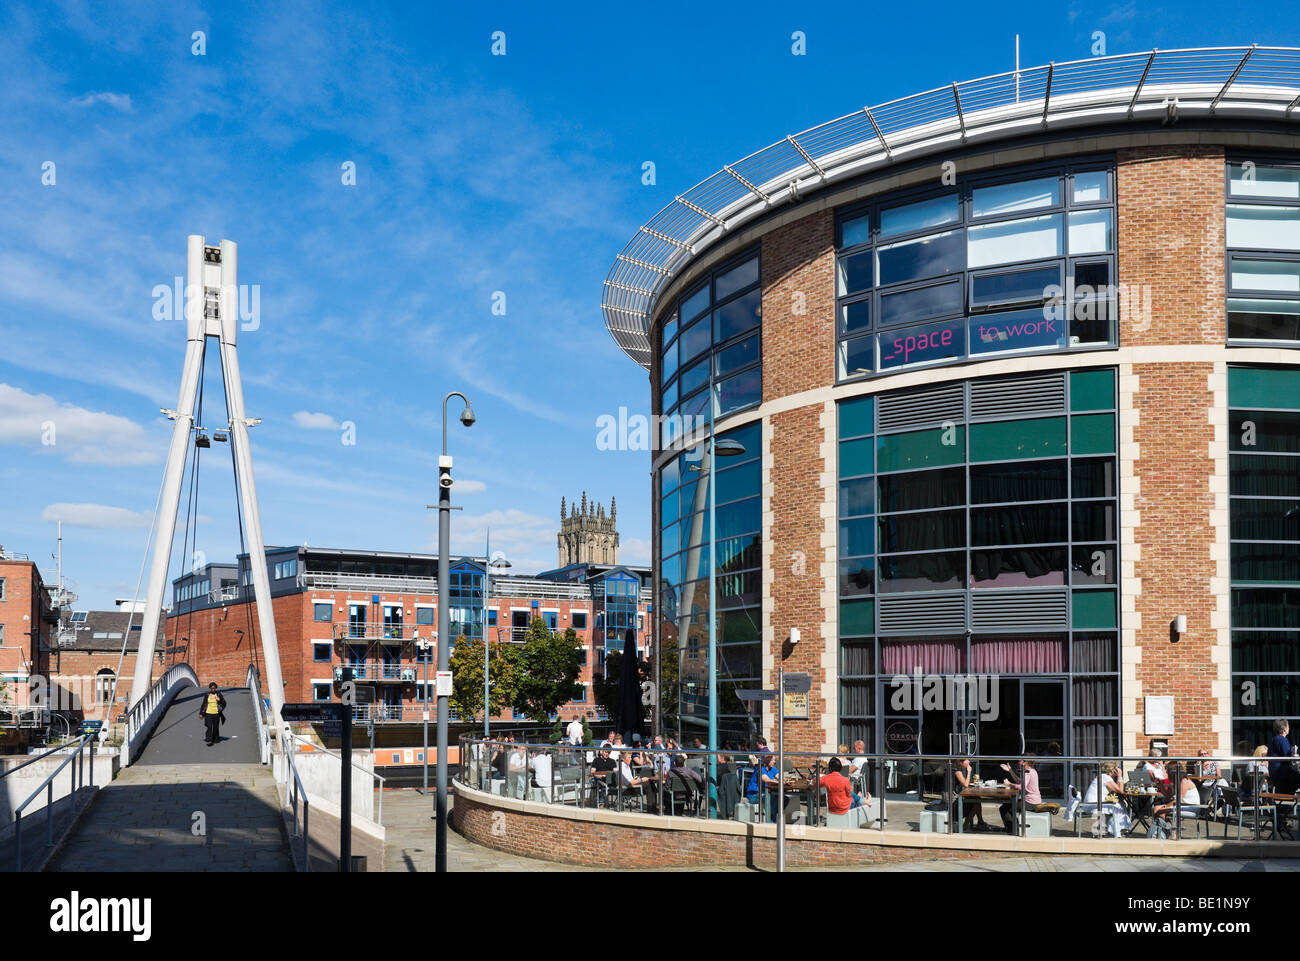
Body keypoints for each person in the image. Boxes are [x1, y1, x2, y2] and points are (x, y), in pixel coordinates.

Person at [998, 755, 1055, 834]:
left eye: (1020, 760)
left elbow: (1021, 786)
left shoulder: (1027, 772)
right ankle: (1014, 827)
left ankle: (1013, 830)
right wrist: (1010, 770)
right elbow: (1019, 781)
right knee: (1008, 806)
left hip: (1030, 803)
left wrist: (1009, 784)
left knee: (1004, 809)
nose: (1018, 762)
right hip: (1034, 801)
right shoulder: (1032, 770)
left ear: (1026, 762)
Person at [952, 757, 987, 831]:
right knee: (976, 802)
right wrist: (969, 772)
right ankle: (966, 825)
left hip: (956, 798)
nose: (968, 761)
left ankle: (980, 822)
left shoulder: (957, 770)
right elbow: (966, 785)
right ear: (961, 762)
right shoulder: (957, 771)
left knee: (977, 799)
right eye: (966, 760)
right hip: (953, 803)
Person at [1267, 718, 1300, 794]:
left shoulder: (1273, 740)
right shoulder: (1282, 739)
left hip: (1275, 775)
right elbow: (1289, 758)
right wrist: (1295, 756)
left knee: (1285, 799)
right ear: (1284, 728)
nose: (1289, 728)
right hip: (1283, 774)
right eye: (1288, 726)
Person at [197, 682, 225, 747]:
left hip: (216, 713)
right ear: (210, 688)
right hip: (208, 713)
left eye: (214, 688)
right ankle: (209, 739)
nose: (213, 689)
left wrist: (219, 700)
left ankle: (216, 737)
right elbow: (204, 704)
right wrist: (201, 714)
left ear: (215, 688)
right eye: (212, 688)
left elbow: (224, 703)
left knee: (215, 727)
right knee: (209, 726)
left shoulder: (218, 694)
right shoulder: (207, 695)